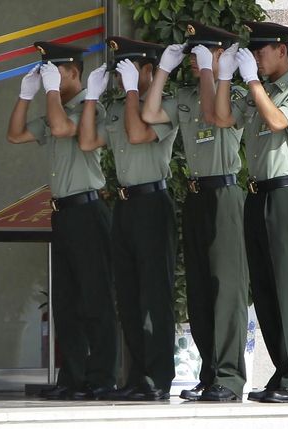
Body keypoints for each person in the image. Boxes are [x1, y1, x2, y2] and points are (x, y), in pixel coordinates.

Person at [142, 22, 249, 402]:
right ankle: (209, 373)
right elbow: (151, 114)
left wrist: (212, 71)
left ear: (221, 54)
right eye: (193, 54)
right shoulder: (186, 93)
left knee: (226, 289)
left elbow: (213, 111)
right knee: (201, 290)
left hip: (224, 193)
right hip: (196, 195)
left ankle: (230, 378)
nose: (193, 61)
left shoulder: (235, 93)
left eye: (203, 51)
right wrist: (163, 71)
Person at [213, 21, 288, 403]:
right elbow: (223, 118)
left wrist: (253, 82)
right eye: (252, 53)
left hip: (286, 195)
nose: (255, 58)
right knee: (266, 290)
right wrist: (224, 78)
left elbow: (277, 121)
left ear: (281, 50)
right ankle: (282, 371)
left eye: (261, 51)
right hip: (256, 196)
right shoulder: (261, 90)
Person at [6, 42, 117, 400]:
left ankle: (101, 376)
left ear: (72, 72)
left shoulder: (91, 107)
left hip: (87, 210)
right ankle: (73, 376)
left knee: (94, 298)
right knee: (66, 301)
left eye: (54, 71)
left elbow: (60, 128)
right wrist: (25, 95)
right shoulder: (58, 104)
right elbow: (16, 134)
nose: (48, 77)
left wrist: (51, 91)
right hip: (63, 213)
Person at [78, 37, 178, 401]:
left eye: (131, 70)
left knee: (155, 294)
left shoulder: (163, 105)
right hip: (124, 206)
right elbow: (87, 142)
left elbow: (138, 134)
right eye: (121, 73)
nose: (123, 80)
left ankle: (158, 377)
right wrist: (91, 97)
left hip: (152, 202)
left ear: (149, 70)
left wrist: (135, 89)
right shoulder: (122, 106)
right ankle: (136, 376)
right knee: (130, 296)